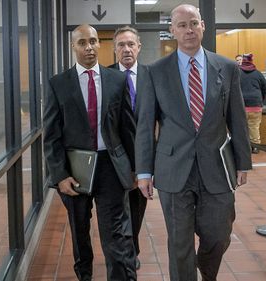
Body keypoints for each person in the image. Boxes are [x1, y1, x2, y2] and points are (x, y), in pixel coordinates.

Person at [135, 4, 252, 281]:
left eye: (193, 23)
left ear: (202, 26)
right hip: (173, 168)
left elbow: (237, 119)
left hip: (217, 167)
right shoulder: (155, 72)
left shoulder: (226, 68)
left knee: (219, 234)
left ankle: (206, 270)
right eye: (182, 25)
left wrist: (243, 161)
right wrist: (143, 172)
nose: (189, 30)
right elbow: (145, 125)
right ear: (172, 31)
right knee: (179, 242)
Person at [43, 24, 137, 281]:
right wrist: (60, 175)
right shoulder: (58, 84)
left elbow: (128, 129)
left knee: (114, 235)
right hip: (75, 170)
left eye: (93, 41)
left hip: (110, 167)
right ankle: (84, 275)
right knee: (80, 233)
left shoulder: (118, 80)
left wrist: (135, 168)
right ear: (73, 46)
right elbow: (51, 136)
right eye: (82, 42)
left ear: (100, 44)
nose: (89, 47)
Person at [109, 25, 149, 270]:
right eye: (121, 45)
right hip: (114, 160)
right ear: (114, 49)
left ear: (139, 48)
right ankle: (122, 252)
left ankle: (132, 249)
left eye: (130, 44)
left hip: (143, 160)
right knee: (115, 211)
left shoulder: (151, 76)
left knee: (136, 209)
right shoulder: (105, 76)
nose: (126, 49)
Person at [239, 53, 266, 154]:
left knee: (241, 127)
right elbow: (265, 88)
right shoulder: (258, 74)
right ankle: (255, 147)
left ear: (243, 61)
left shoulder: (237, 73)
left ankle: (243, 147)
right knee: (254, 126)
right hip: (255, 104)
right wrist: (260, 100)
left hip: (241, 105)